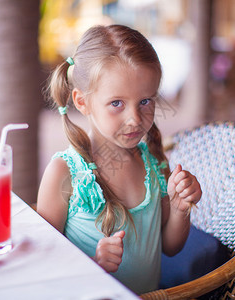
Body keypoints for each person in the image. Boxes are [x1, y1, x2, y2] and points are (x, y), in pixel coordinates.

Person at [37, 24, 201, 294]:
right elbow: (46, 264)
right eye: (117, 103)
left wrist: (180, 208)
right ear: (82, 101)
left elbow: (170, 247)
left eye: (145, 101)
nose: (135, 119)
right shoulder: (63, 173)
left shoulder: (155, 163)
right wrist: (94, 266)